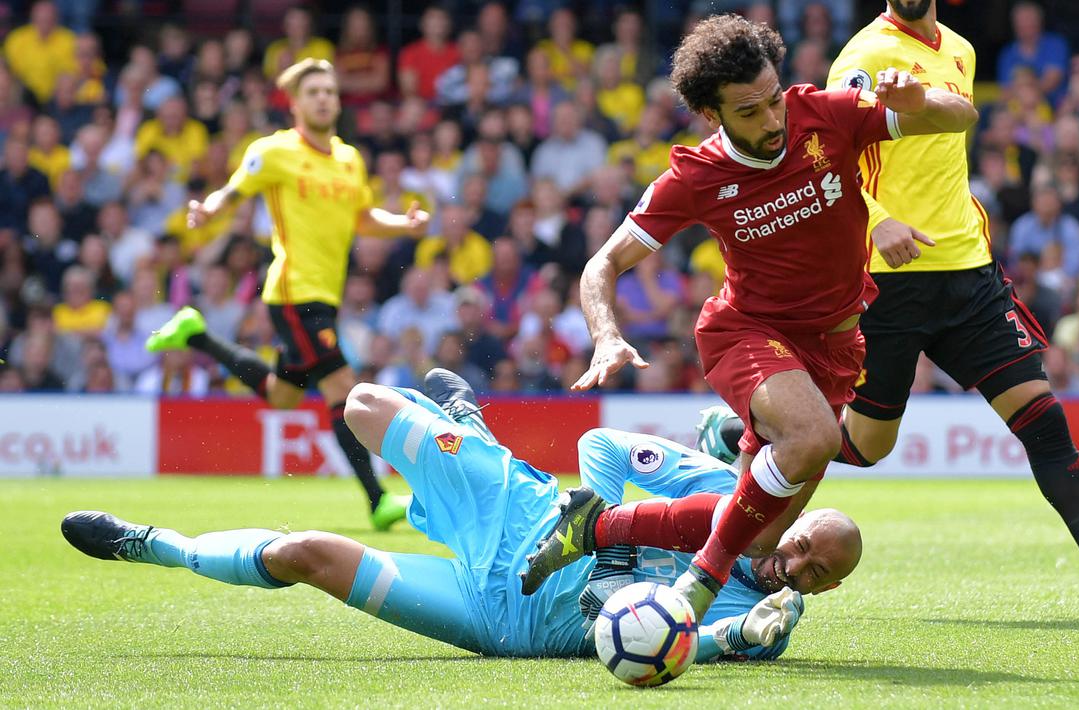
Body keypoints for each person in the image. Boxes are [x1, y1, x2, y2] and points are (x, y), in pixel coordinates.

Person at [522, 13, 976, 619]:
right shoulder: (695, 177)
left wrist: (919, 99)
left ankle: (598, 527)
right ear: (711, 115)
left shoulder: (825, 114)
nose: (772, 121)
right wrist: (605, 337)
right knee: (814, 437)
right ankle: (697, 589)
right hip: (748, 333)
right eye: (749, 112)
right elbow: (601, 266)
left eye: (773, 101)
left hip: (836, 347)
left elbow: (960, 116)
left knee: (758, 534)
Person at [788, 0, 1079, 619]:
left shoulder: (961, 49)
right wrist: (879, 220)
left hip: (968, 274)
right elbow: (824, 162)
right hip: (890, 280)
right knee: (868, 448)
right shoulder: (863, 58)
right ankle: (740, 434)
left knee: (1043, 418)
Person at [61, 370, 862, 660]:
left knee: (306, 553)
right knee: (363, 407)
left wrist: (733, 633)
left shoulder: (768, 620)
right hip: (520, 517)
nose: (791, 570)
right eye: (799, 551)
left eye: (813, 578)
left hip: (500, 625)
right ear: (792, 517)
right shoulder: (725, 490)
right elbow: (603, 447)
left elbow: (708, 645)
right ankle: (468, 432)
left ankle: (153, 545)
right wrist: (610, 554)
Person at [143, 59, 429, 530]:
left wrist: (405, 223)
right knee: (343, 389)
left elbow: (360, 215)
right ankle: (377, 500)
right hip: (294, 293)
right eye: (313, 92)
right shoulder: (274, 152)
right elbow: (234, 190)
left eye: (330, 92)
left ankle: (196, 334)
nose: (323, 99)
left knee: (282, 397)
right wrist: (207, 209)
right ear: (295, 103)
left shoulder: (348, 158)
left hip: (323, 296)